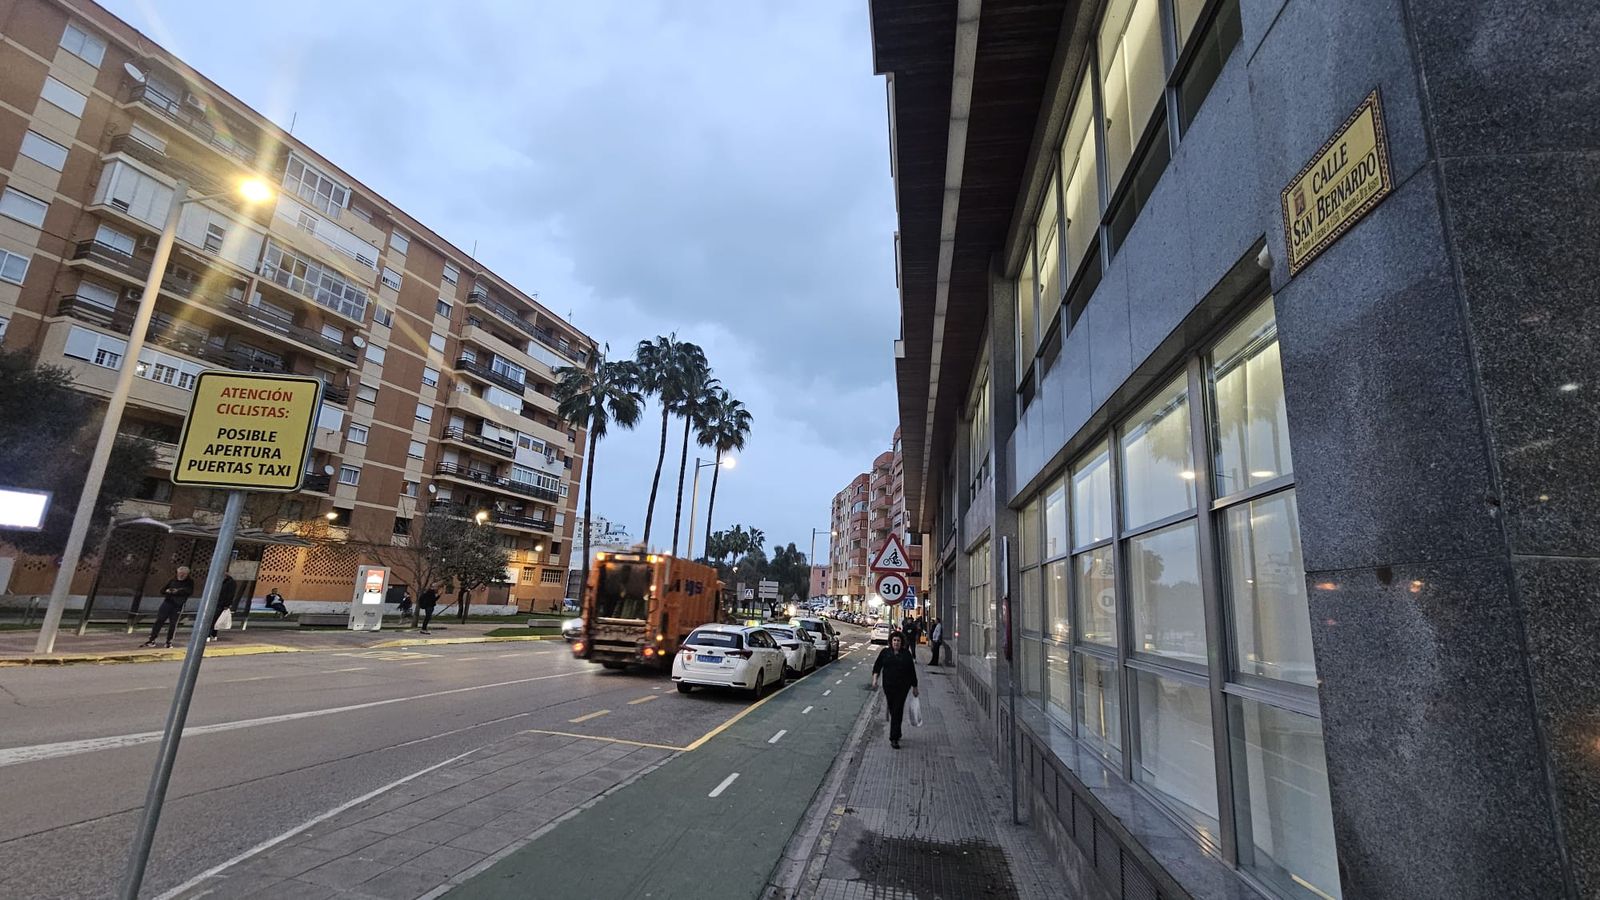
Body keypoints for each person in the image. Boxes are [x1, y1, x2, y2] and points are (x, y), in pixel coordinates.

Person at [870, 632, 919, 749]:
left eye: (898, 641)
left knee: (897, 709)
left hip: (903, 687)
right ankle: (897, 730)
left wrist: (915, 687)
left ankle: (894, 738)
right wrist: (875, 679)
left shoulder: (906, 654)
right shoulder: (885, 653)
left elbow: (911, 671)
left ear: (901, 642)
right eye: (894, 640)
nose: (896, 643)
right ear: (891, 642)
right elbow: (877, 666)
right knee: (893, 710)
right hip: (889, 686)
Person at [142, 565, 194, 648]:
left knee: (173, 623)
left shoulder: (189, 582)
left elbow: (189, 591)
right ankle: (152, 639)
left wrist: (178, 591)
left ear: (187, 574)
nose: (181, 575)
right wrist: (168, 591)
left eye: (183, 574)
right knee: (159, 620)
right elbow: (162, 590)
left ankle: (169, 641)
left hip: (178, 605)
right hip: (167, 603)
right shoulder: (172, 580)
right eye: (179, 573)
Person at [207, 574, 237, 642]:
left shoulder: (230, 582)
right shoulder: (220, 581)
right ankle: (213, 635)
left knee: (214, 619)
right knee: (215, 619)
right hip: (216, 602)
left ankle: (209, 635)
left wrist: (227, 604)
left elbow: (230, 594)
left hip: (221, 603)